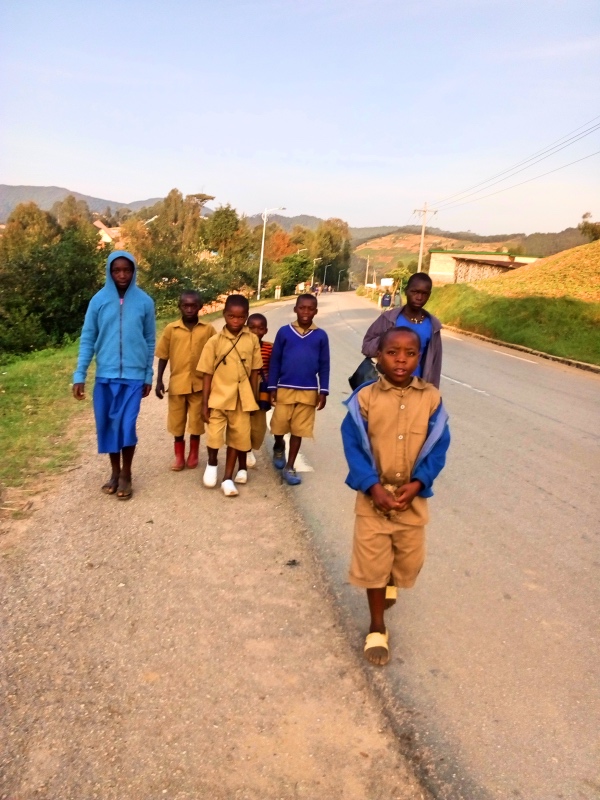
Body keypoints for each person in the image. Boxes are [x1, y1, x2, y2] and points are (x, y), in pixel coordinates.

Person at [341, 327, 450, 666]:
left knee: (408, 562)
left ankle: (390, 579)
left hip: (412, 499)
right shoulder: (364, 399)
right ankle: (376, 627)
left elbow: (439, 446)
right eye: (392, 352)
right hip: (373, 496)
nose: (401, 359)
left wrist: (419, 483)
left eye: (410, 353)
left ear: (419, 357)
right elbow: (353, 447)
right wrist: (371, 485)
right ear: (379, 356)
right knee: (373, 564)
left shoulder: (431, 398)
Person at [72, 250, 155, 500]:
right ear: (109, 271)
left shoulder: (144, 302)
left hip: (133, 378)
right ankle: (114, 472)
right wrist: (80, 374)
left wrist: (148, 375)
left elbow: (150, 340)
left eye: (127, 270)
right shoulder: (98, 301)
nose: (122, 275)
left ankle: (127, 475)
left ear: (134, 271)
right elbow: (88, 338)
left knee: (127, 426)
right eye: (116, 270)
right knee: (108, 426)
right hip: (105, 377)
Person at [197, 295, 262, 497]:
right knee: (215, 436)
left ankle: (227, 478)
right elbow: (207, 374)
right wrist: (204, 403)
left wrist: (253, 399)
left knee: (237, 438)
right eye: (231, 316)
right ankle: (212, 463)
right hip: (218, 397)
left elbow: (255, 372)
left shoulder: (252, 340)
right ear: (224, 315)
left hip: (242, 400)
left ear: (246, 317)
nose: (235, 321)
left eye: (240, 317)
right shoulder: (214, 342)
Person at [268, 294, 330, 485]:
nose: (306, 312)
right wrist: (272, 386)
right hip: (284, 388)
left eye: (310, 309)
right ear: (295, 309)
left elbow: (324, 364)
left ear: (316, 311)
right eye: (302, 308)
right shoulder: (284, 332)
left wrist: (323, 391)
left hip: (309, 390)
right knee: (278, 425)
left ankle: (290, 466)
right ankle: (279, 446)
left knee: (298, 429)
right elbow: (275, 360)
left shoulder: (321, 335)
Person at [155, 291, 216, 471]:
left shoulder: (208, 329)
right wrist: (159, 380)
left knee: (197, 422)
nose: (189, 309)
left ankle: (194, 453)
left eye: (193, 306)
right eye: (185, 306)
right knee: (177, 422)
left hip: (199, 385)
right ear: (179, 307)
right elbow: (163, 356)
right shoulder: (171, 329)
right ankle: (179, 456)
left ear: (200, 306)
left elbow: (216, 355)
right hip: (177, 385)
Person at [361, 273, 442, 387]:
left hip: (415, 389)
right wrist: (386, 340)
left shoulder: (433, 326)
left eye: (424, 293)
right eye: (415, 292)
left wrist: (433, 393)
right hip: (385, 385)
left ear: (429, 295)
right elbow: (366, 347)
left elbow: (435, 364)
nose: (419, 297)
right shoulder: (389, 319)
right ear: (406, 291)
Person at [242, 313, 273, 468]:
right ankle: (244, 448)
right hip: (244, 386)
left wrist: (274, 389)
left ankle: (251, 447)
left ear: (265, 330)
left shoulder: (269, 347)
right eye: (251, 327)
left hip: (261, 389)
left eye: (260, 328)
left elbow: (274, 369)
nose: (255, 331)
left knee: (258, 423)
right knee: (242, 420)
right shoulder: (240, 346)